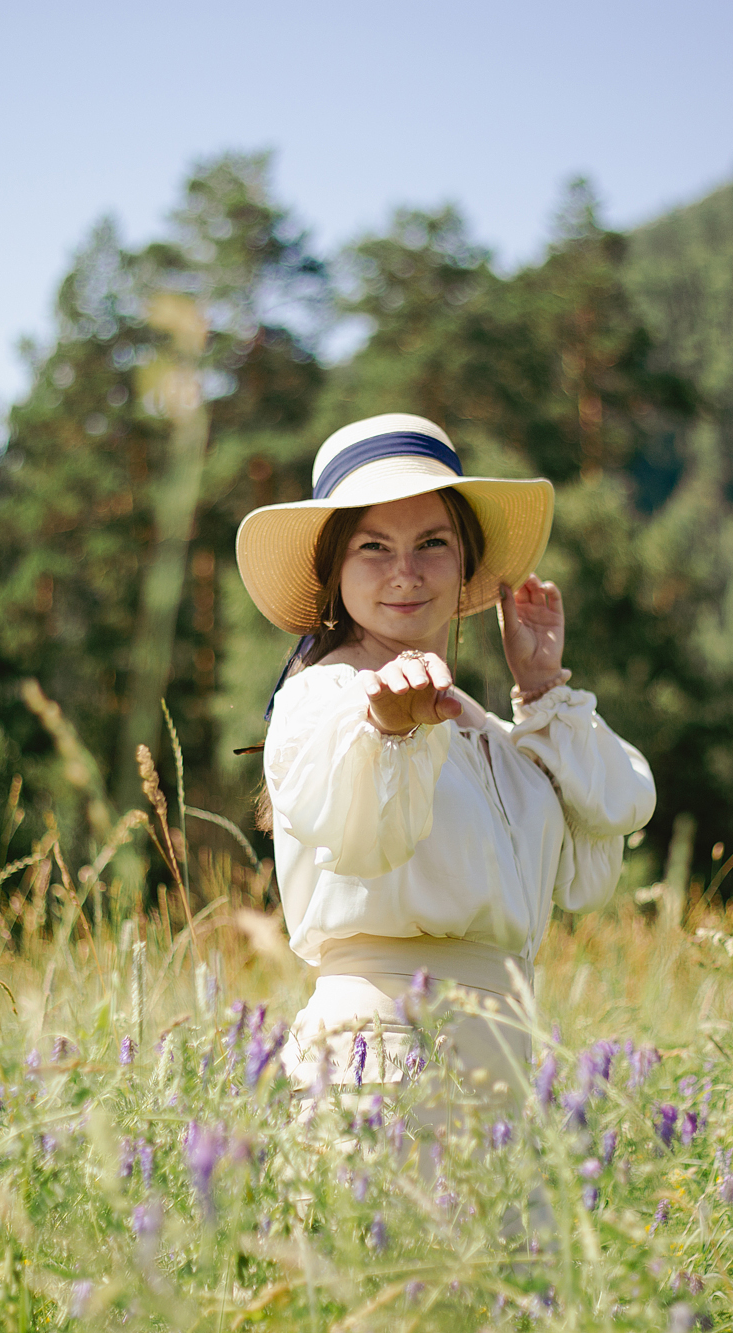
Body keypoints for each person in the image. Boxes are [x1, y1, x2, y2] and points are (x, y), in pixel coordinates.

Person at [235, 413, 656, 1102]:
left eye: (432, 543)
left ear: (466, 563)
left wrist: (542, 688)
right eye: (374, 547)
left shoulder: (486, 733)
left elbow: (607, 824)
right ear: (335, 568)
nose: (405, 573)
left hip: (507, 1071)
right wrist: (389, 730)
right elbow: (366, 837)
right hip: (382, 1060)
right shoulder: (325, 702)